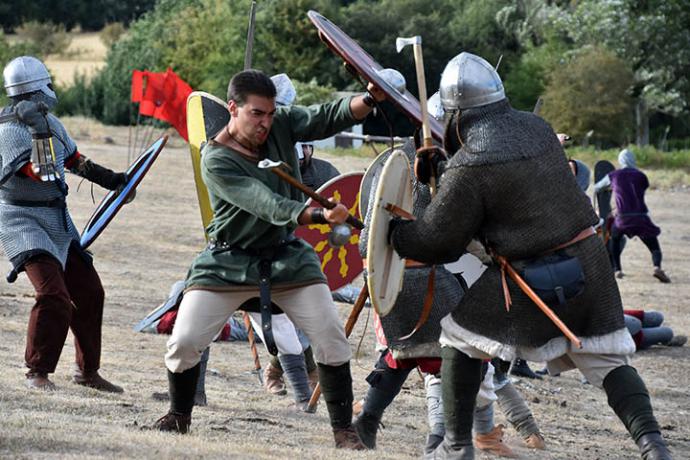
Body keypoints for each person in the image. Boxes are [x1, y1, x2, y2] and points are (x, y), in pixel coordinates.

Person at [389, 52, 671, 459]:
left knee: (459, 338)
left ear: (455, 115)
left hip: (528, 277)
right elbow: (509, 187)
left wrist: (398, 232)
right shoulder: (538, 130)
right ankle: (654, 446)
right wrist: (447, 172)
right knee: (609, 359)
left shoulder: (472, 164)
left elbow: (438, 241)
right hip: (589, 260)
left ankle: (456, 447)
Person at [151, 69, 384, 450]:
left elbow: (325, 115)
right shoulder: (216, 159)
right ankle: (180, 415)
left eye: (270, 113)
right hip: (228, 261)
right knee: (185, 341)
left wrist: (370, 99)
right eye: (257, 113)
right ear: (233, 108)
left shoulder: (280, 125)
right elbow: (264, 203)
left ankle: (343, 431)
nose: (265, 122)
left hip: (286, 256)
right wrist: (319, 216)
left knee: (330, 337)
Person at [0, 56, 126, 392]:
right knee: (53, 295)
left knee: (90, 292)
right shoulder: (9, 132)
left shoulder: (52, 123)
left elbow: (73, 161)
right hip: (22, 221)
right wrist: (37, 130)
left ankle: (88, 372)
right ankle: (37, 372)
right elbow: (42, 173)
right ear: (37, 87)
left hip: (57, 221)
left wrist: (113, 181)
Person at [594, 149, 670, 283]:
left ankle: (617, 270)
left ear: (620, 161)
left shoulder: (614, 175)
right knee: (654, 246)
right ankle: (657, 267)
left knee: (615, 239)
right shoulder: (641, 176)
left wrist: (610, 187)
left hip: (622, 218)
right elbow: (642, 187)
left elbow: (597, 187)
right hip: (641, 217)